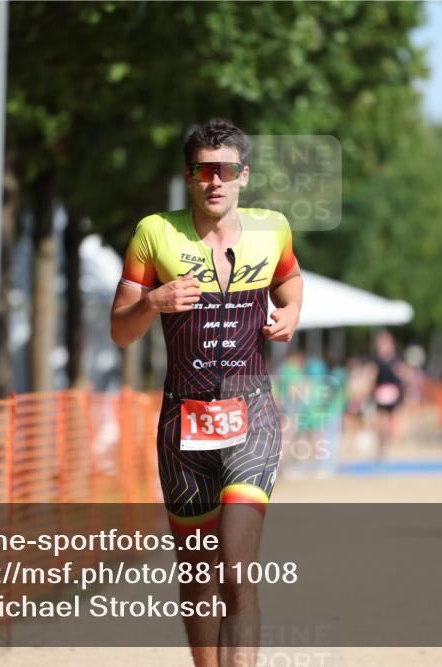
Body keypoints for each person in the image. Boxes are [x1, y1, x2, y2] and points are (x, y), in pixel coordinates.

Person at [110, 119, 303, 667]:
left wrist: (292, 311)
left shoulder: (274, 230)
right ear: (189, 177)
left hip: (252, 414)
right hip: (182, 424)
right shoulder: (155, 234)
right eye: (203, 170)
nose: (215, 181)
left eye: (226, 170)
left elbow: (290, 281)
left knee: (236, 567)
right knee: (196, 581)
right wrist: (153, 302)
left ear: (244, 176)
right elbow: (120, 331)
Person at [368, 331, 408, 460]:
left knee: (394, 425)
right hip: (381, 395)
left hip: (394, 395)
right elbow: (371, 377)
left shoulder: (396, 360)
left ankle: (394, 450)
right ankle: (381, 449)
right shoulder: (376, 361)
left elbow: (404, 375)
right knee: (382, 424)